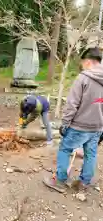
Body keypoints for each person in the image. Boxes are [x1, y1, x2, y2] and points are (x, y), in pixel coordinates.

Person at [43, 47, 103, 192]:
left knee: (65, 149)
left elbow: (72, 104)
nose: (82, 66)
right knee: (91, 153)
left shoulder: (83, 78)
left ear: (88, 62)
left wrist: (65, 123)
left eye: (83, 63)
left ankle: (60, 180)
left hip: (79, 126)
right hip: (97, 127)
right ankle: (84, 183)